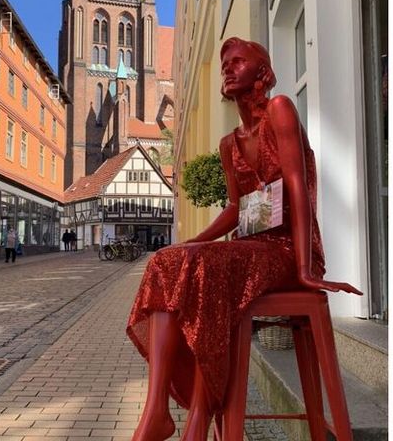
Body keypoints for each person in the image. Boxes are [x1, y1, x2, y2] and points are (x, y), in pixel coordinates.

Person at [126, 37, 362, 441]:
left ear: (261, 71)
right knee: (167, 261)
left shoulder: (280, 110)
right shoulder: (228, 144)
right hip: (250, 250)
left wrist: (305, 267)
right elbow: (237, 210)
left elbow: (298, 189)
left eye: (238, 61)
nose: (228, 68)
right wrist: (190, 245)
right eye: (225, 64)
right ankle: (157, 411)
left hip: (289, 249)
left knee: (211, 270)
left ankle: (200, 416)